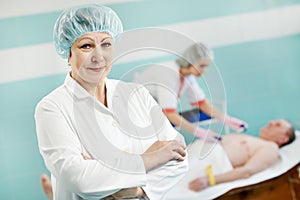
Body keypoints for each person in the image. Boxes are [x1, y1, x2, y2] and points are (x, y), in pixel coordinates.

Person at [35, 4, 188, 200]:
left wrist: (136, 190)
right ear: (68, 53)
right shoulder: (52, 108)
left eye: (106, 44)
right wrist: (151, 158)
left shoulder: (136, 93)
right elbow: (78, 178)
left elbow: (179, 156)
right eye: (86, 46)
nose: (98, 57)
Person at [133, 43, 248, 142]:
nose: (204, 70)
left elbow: (202, 103)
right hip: (135, 113)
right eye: (202, 66)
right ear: (190, 61)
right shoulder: (168, 73)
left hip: (151, 114)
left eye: (207, 66)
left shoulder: (187, 76)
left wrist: (227, 119)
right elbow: (170, 113)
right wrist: (200, 132)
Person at [188, 119, 296, 192]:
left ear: (283, 139)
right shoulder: (256, 140)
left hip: (206, 163)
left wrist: (209, 180)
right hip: (195, 153)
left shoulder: (271, 148)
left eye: (277, 125)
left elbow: (247, 171)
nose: (271, 122)